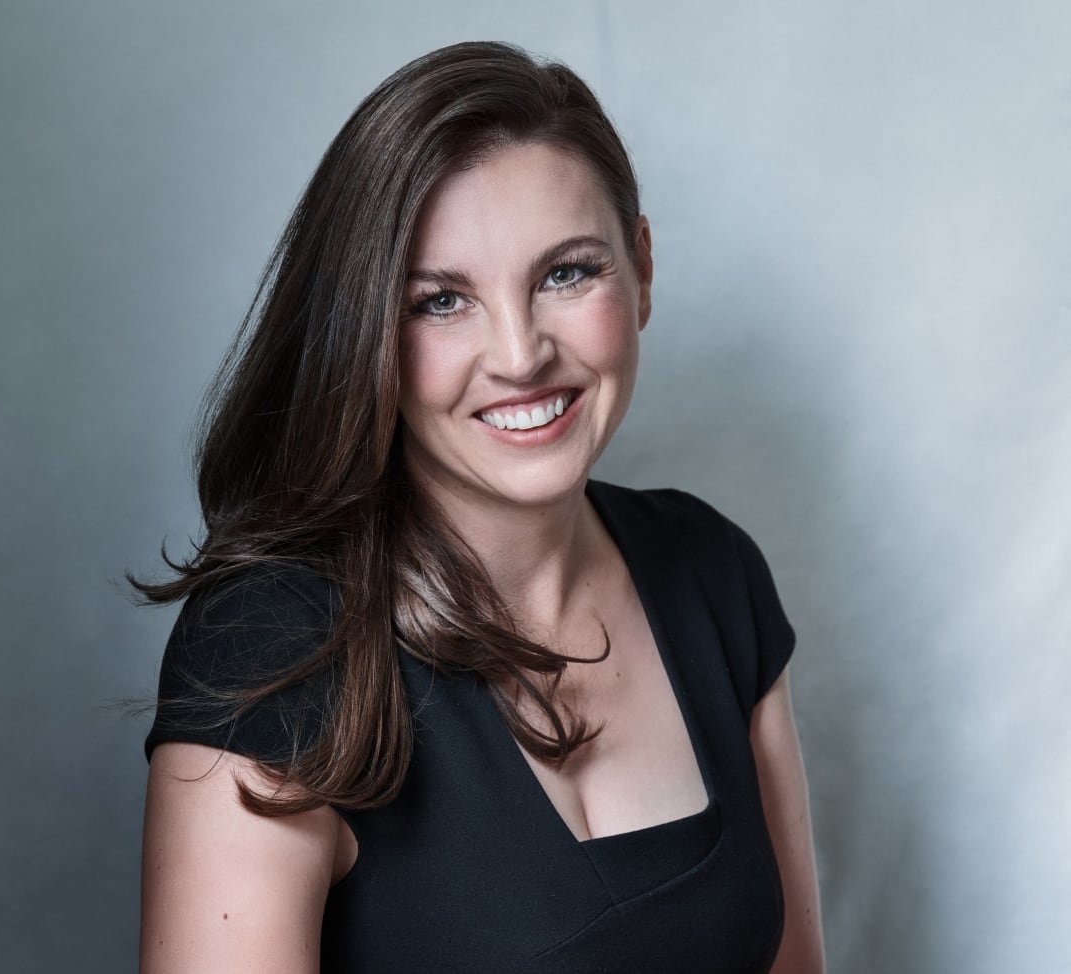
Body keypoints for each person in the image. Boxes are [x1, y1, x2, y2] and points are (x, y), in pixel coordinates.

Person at [136, 40, 825, 973]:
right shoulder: (272, 648)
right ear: (365, 332)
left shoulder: (714, 571)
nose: (519, 354)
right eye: (441, 302)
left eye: (567, 273)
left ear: (643, 268)